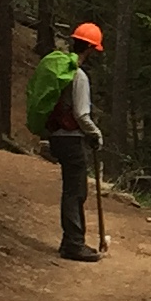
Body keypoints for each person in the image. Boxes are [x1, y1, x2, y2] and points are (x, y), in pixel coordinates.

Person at [47, 22, 106, 261]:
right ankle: (73, 243)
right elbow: (82, 114)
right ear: (90, 48)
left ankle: (69, 240)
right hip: (72, 139)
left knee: (71, 190)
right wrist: (96, 134)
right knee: (76, 191)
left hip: (56, 135)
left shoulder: (63, 71)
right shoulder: (79, 76)